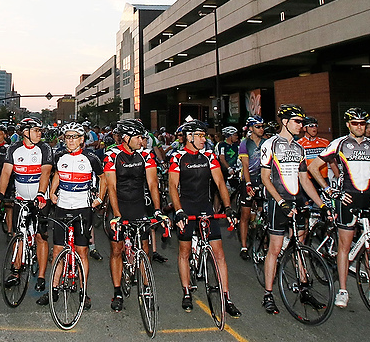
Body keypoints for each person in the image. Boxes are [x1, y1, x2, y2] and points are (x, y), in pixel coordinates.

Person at [319, 108, 370, 309]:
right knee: (345, 246)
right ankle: (343, 290)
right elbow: (313, 167)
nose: (360, 127)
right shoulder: (339, 143)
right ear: (348, 124)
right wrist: (331, 191)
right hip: (347, 198)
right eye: (355, 123)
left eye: (363, 123)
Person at [258, 104, 328, 315]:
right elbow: (264, 178)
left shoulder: (299, 148)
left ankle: (305, 289)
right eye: (298, 121)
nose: (301, 126)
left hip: (296, 202)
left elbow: (304, 179)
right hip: (277, 202)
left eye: (302, 122)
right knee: (275, 248)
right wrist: (280, 201)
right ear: (285, 122)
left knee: (300, 245)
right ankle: (268, 295)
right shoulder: (270, 144)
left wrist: (321, 204)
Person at [169, 119, 240, 318]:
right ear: (189, 137)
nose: (203, 139)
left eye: (204, 135)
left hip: (205, 206)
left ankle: (226, 298)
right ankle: (186, 292)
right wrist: (179, 211)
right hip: (186, 207)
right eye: (199, 135)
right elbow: (172, 187)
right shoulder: (177, 157)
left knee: (219, 253)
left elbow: (220, 182)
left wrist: (228, 207)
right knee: (184, 252)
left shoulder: (209, 156)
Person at [36, 122, 103, 308]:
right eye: (67, 137)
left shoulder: (91, 157)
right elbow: (57, 174)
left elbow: (103, 178)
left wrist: (99, 198)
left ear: (82, 139)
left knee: (82, 251)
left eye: (74, 137)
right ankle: (54, 290)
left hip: (83, 208)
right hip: (62, 207)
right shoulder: (59, 155)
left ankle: (84, 292)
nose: (71, 140)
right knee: (57, 250)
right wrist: (52, 191)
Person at [103, 119, 164, 312]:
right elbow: (111, 187)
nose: (142, 141)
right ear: (127, 138)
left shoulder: (146, 154)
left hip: (138, 204)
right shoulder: (112, 155)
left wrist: (157, 210)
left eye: (143, 137)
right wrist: (117, 214)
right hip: (119, 205)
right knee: (117, 250)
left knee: (145, 249)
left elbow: (153, 184)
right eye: (139, 137)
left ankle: (147, 288)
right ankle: (118, 291)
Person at [0, 117, 52, 298]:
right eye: (36, 130)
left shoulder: (44, 148)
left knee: (39, 237)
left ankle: (42, 275)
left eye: (40, 130)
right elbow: (6, 172)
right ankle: (16, 271)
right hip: (20, 198)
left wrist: (41, 193)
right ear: (25, 132)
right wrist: (1, 193)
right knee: (18, 234)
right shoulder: (13, 149)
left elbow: (45, 172)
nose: (40, 133)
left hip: (40, 198)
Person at [236, 115, 266, 259]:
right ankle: (243, 246)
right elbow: (245, 166)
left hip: (264, 180)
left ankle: (264, 244)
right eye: (258, 127)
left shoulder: (267, 142)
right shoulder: (245, 143)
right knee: (245, 214)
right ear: (251, 129)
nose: (261, 129)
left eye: (262, 126)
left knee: (264, 213)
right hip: (249, 179)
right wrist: (248, 184)